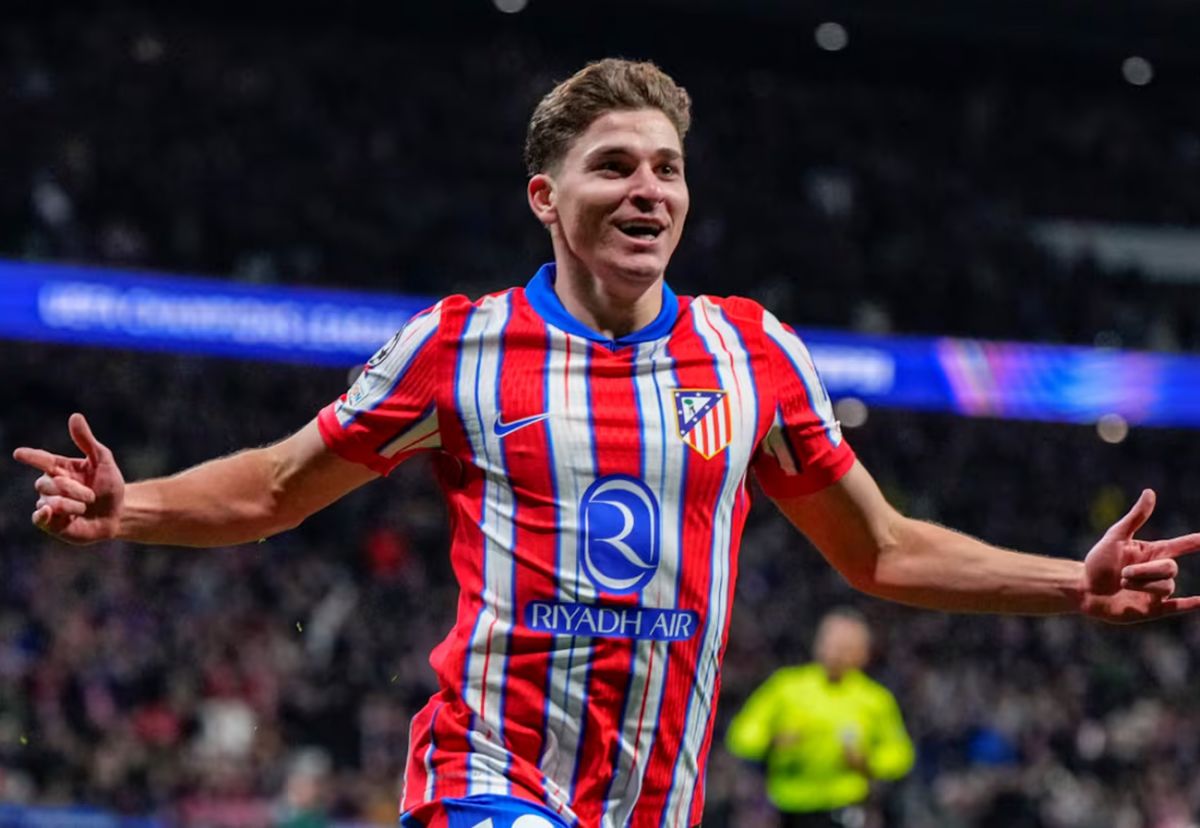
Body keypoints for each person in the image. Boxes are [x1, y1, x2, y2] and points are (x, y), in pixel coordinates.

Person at [13, 58, 1200, 828]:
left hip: (652, 802)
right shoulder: (460, 346)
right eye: (615, 166)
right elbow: (277, 488)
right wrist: (133, 507)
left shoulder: (752, 354)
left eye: (668, 169)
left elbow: (881, 552)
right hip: (486, 777)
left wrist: (1071, 584)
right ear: (546, 197)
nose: (649, 190)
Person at [725, 608, 914, 828]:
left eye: (846, 646)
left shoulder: (875, 699)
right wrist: (772, 741)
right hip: (789, 807)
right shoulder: (786, 687)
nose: (837, 652)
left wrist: (868, 762)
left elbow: (900, 754)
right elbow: (742, 733)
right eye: (831, 642)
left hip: (845, 807)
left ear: (863, 653)